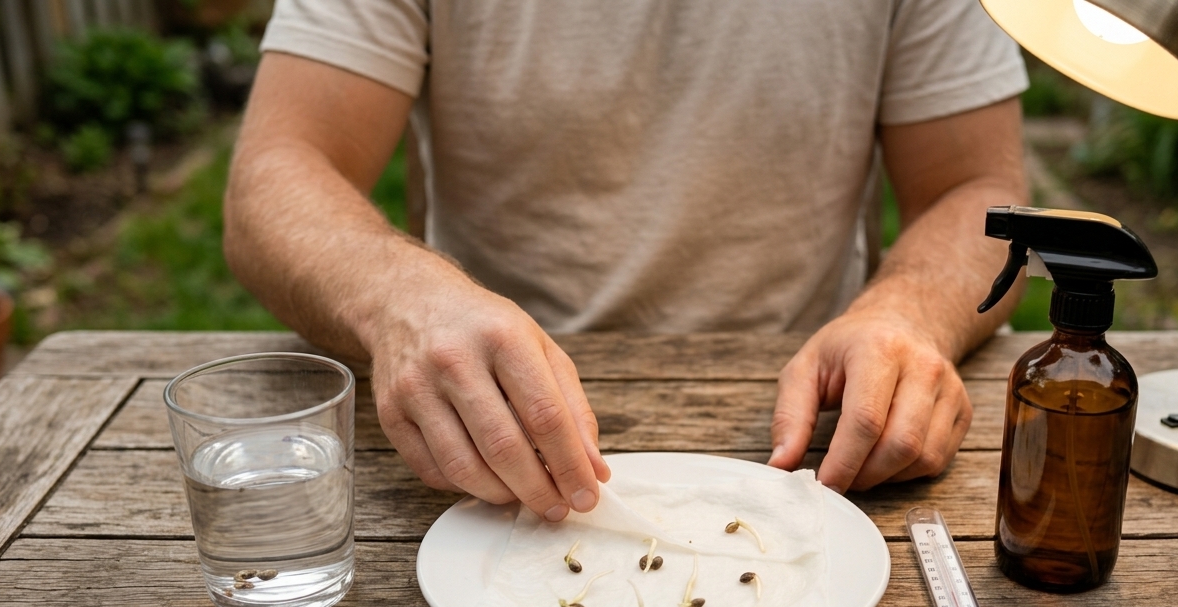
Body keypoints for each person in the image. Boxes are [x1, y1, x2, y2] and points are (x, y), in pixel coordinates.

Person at [224, 0, 1030, 522]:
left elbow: (978, 188)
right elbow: (275, 173)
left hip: (816, 428)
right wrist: (404, 300)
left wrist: (907, 315)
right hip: (476, 420)